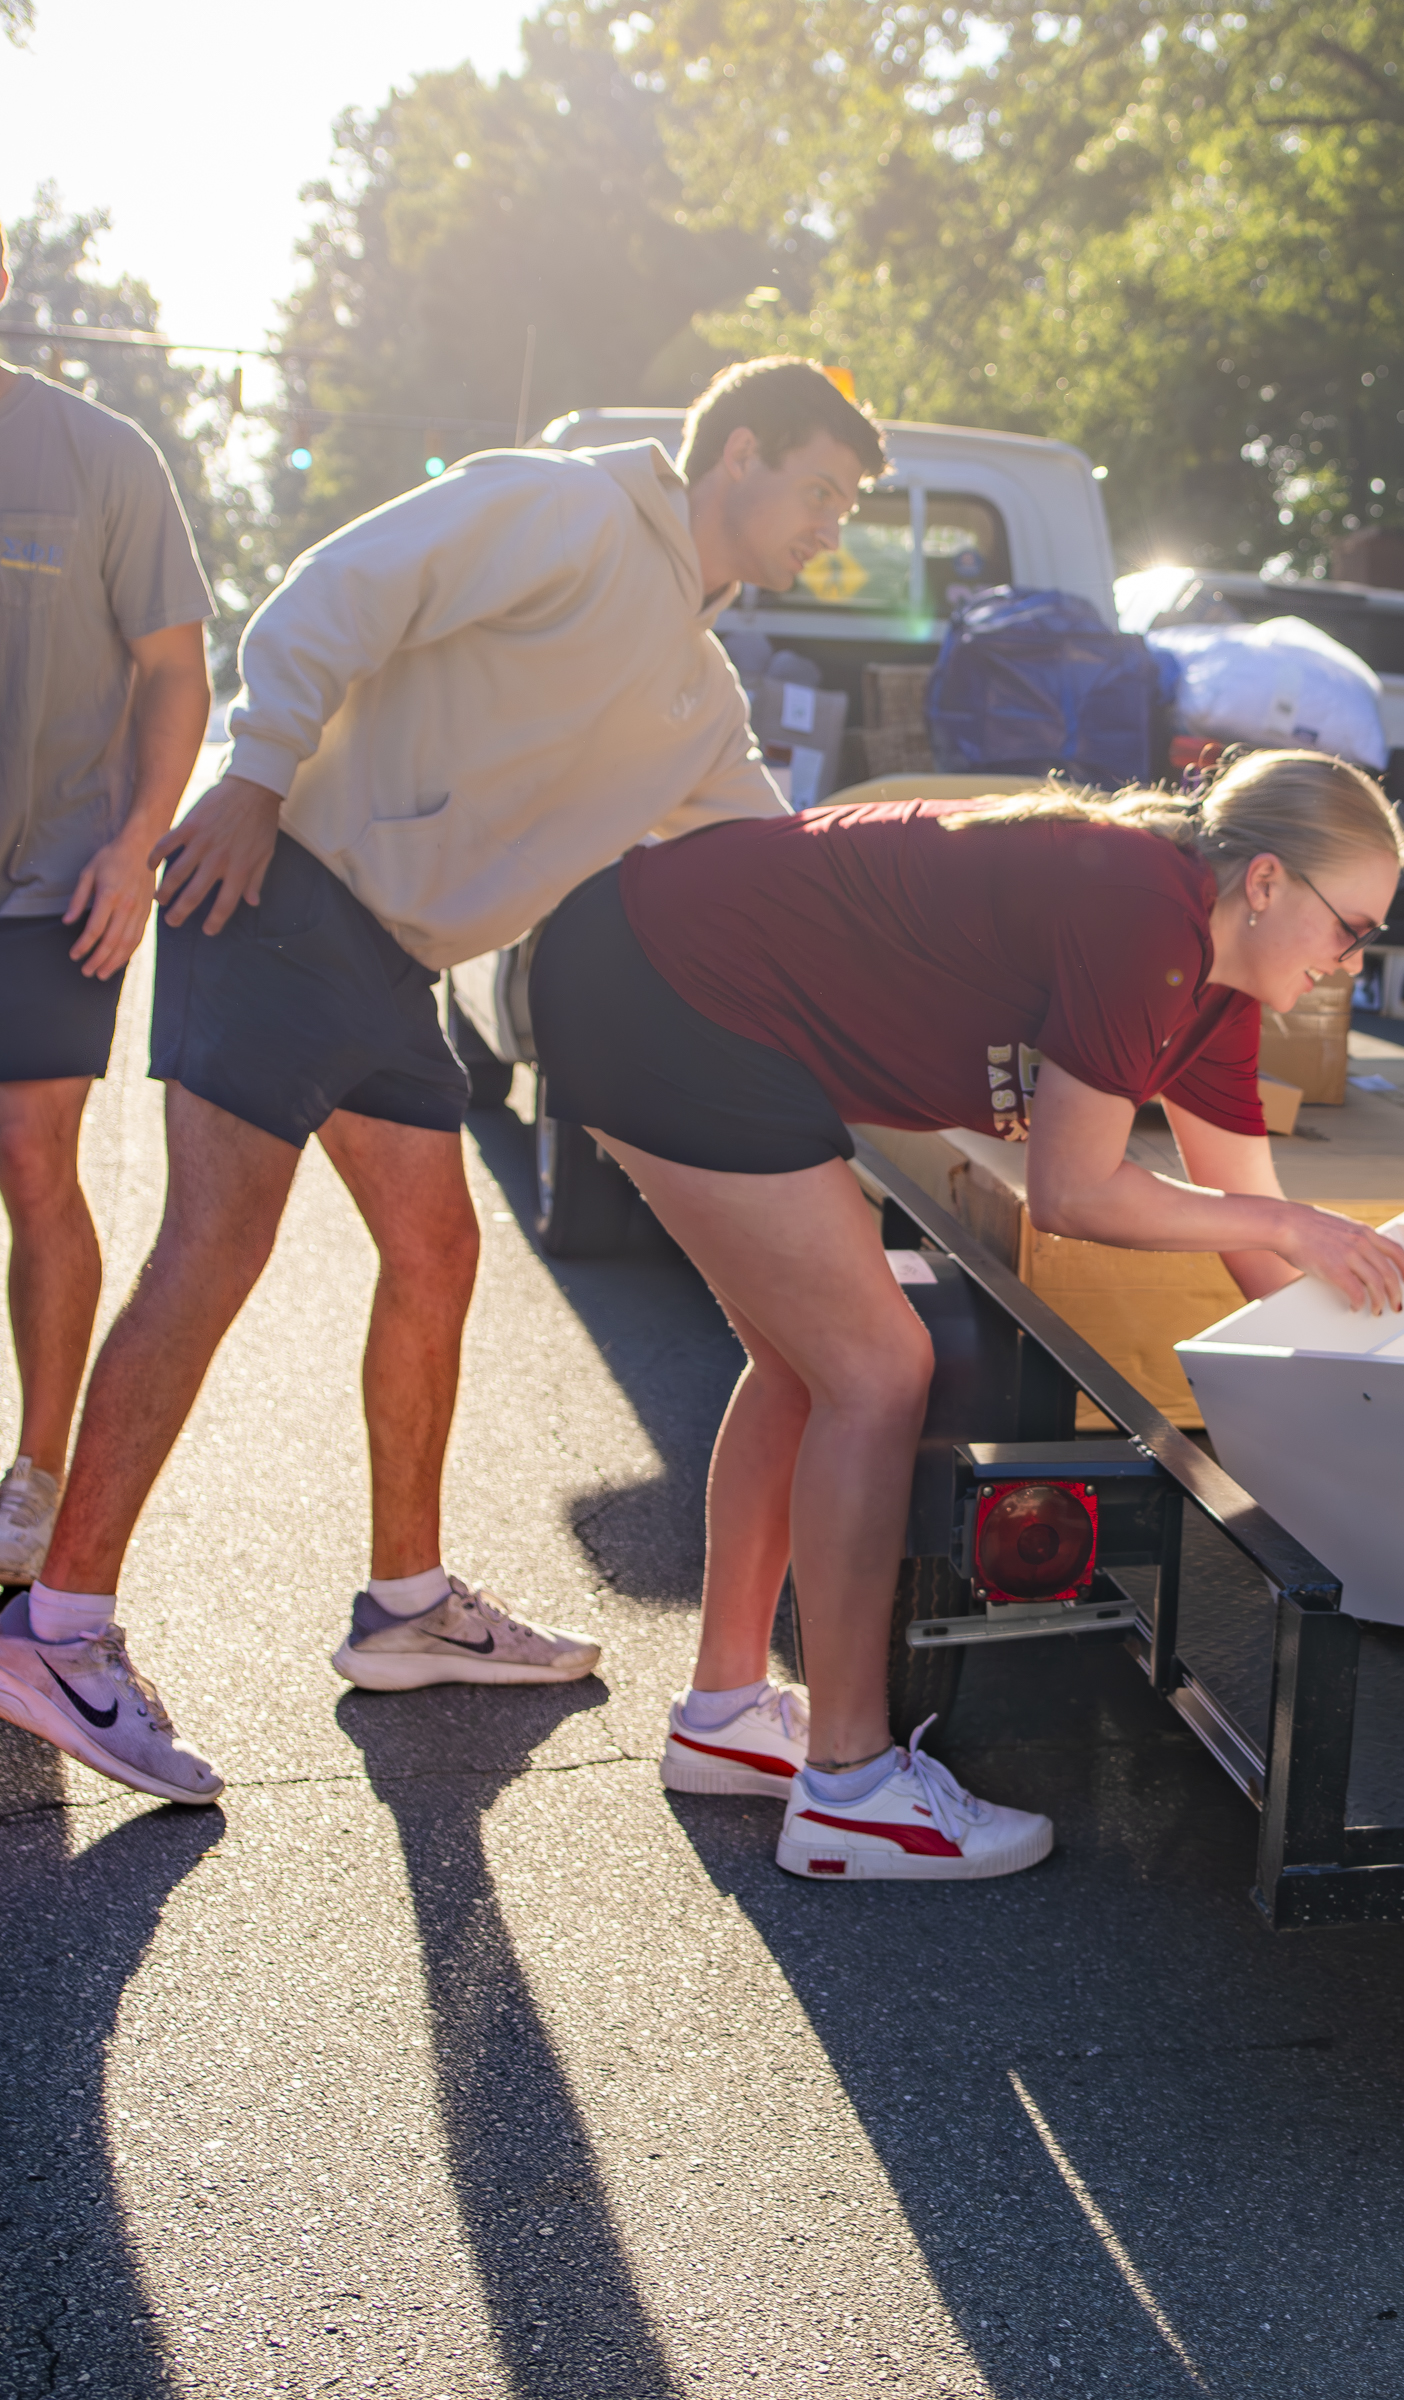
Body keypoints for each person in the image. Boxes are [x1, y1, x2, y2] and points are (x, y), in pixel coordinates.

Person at [0, 356, 884, 1808]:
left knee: (438, 1247)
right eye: (819, 493)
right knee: (216, 1243)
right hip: (280, 884)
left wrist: (921, 913)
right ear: (736, 454)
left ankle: (406, 1607)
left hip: (386, 956)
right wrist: (259, 770)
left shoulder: (697, 684)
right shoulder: (567, 511)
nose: (828, 527)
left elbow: (761, 866)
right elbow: (333, 594)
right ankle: (60, 1628)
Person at [526, 748, 1404, 1882]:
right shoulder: (1141, 907)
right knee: (877, 1370)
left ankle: (724, 1716)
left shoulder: (1218, 999)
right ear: (1267, 883)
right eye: (1353, 927)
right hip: (658, 985)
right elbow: (1077, 1191)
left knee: (813, 1369)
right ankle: (850, 1787)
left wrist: (1371, 1401)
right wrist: (1296, 1233)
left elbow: (1253, 1235)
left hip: (658, 978)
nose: (1353, 961)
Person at [0, 226, 214, 1590]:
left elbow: (178, 673)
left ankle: (36, 1473)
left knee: (30, 1153)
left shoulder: (101, 455)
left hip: (50, 874)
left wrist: (138, 842)